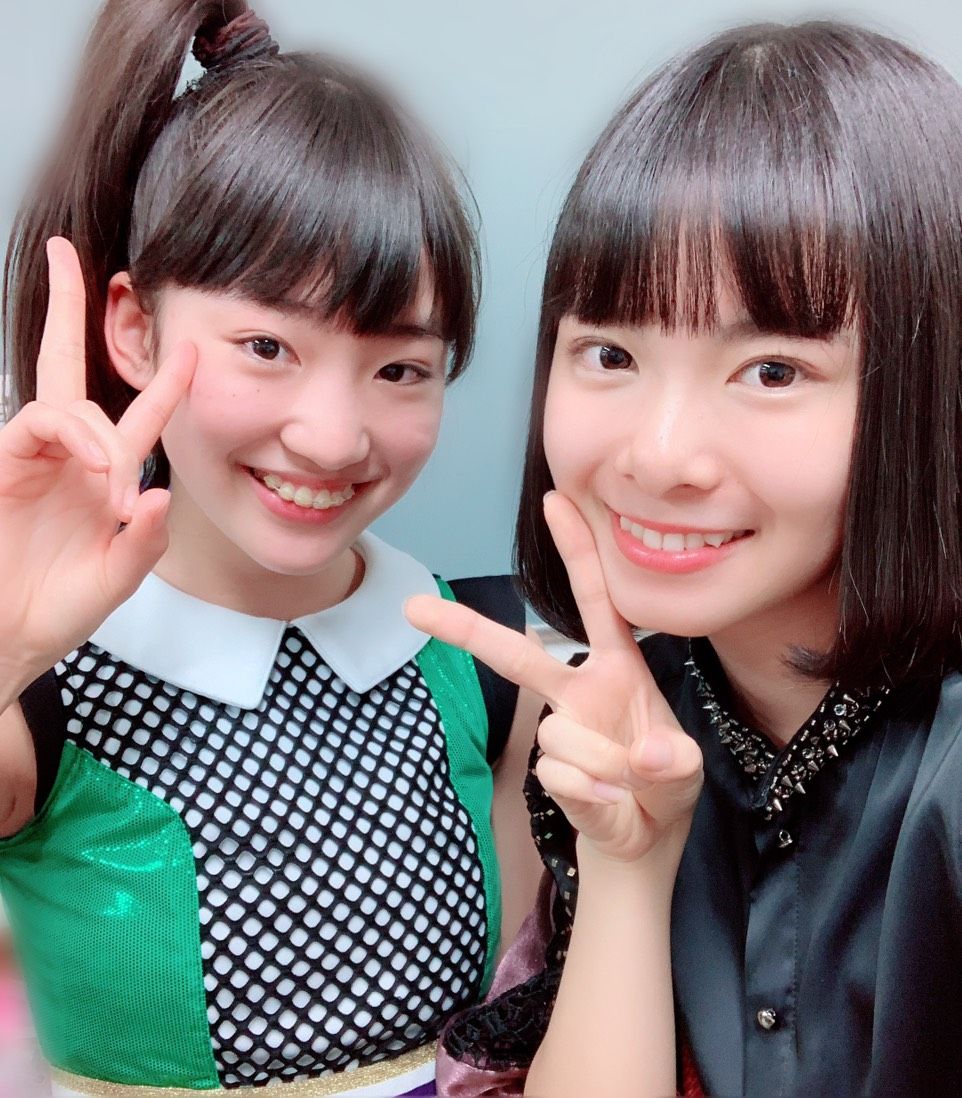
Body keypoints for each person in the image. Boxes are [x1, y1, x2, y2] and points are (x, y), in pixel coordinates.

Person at [406, 19, 962, 1098]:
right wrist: (625, 861)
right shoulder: (632, 717)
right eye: (609, 353)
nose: (657, 456)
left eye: (772, 371)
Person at [0, 1, 541, 1095]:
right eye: (266, 345)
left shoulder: (486, 658)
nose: (333, 438)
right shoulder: (41, 694)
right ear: (134, 328)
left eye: (400, 369)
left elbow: (528, 1027)